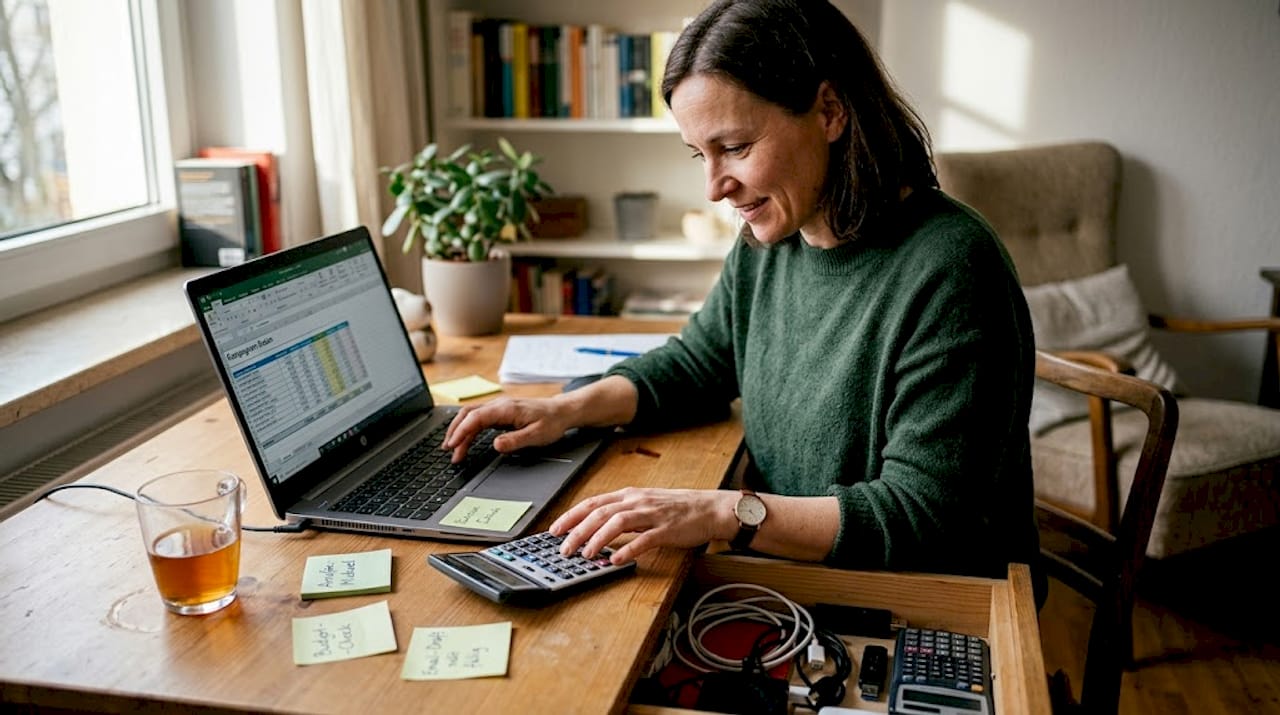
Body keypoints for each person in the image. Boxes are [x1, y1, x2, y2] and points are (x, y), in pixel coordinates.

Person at [443, 0, 1041, 598]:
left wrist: (724, 512)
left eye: (734, 147)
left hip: (921, 597)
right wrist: (565, 410)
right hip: (801, 571)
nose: (713, 187)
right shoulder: (774, 233)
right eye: (700, 154)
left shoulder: (953, 268)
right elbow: (703, 360)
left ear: (829, 111)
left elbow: (920, 516)